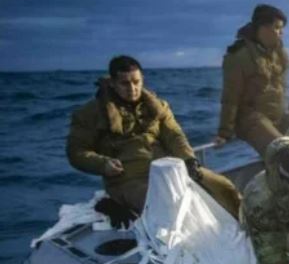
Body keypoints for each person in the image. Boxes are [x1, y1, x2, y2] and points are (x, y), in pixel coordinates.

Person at [67, 55, 241, 222]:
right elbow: (76, 152)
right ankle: (113, 203)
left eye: (136, 82)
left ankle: (247, 229)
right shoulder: (90, 113)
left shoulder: (158, 107)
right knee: (165, 205)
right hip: (127, 178)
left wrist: (189, 160)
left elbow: (174, 135)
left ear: (142, 79)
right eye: (124, 83)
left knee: (224, 187)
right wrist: (102, 163)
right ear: (112, 83)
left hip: (168, 168)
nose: (132, 88)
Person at [214, 4, 289, 155]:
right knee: (284, 151)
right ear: (262, 28)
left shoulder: (278, 52)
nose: (281, 33)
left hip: (276, 115)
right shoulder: (238, 56)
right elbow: (231, 97)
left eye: (282, 29)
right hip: (251, 119)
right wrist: (224, 133)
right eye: (277, 28)